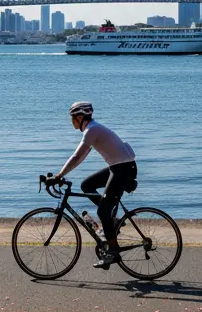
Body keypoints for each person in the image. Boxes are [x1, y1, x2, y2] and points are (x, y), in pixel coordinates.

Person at [49, 100, 137, 268]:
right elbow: (81, 157)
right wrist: (62, 174)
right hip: (119, 167)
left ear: (80, 117)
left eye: (72, 118)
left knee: (102, 210)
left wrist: (59, 175)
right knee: (86, 185)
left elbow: (76, 157)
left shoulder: (92, 130)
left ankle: (113, 251)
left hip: (123, 170)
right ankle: (114, 220)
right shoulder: (92, 130)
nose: (71, 121)